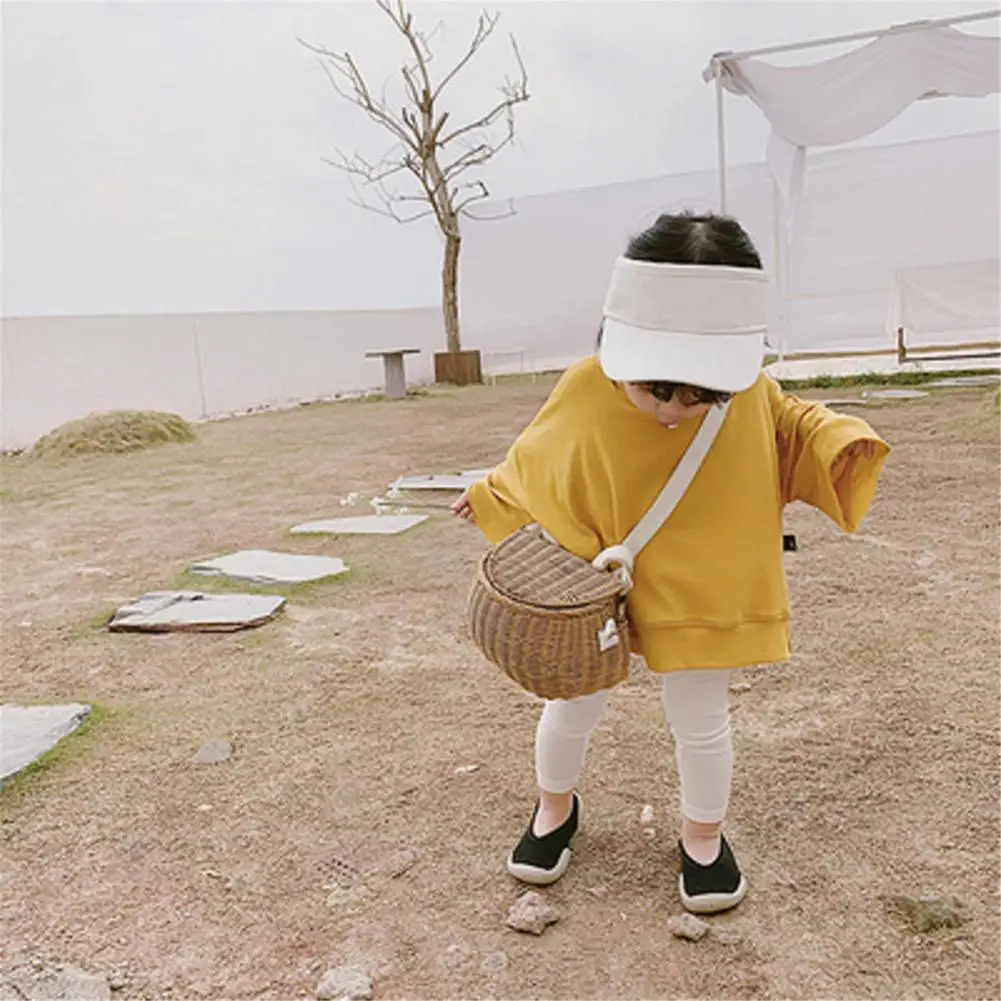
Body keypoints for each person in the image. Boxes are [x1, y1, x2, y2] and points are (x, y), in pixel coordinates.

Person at [451, 211, 889, 914]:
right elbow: (539, 454)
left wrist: (837, 440)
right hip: (595, 588)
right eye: (656, 389)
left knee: (702, 718)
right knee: (569, 702)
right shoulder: (585, 386)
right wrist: (492, 494)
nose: (672, 411)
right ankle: (554, 808)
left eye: (699, 395)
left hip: (699, 583)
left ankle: (703, 840)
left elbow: (793, 427)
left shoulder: (752, 395)